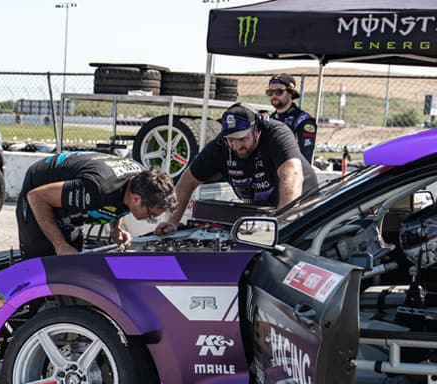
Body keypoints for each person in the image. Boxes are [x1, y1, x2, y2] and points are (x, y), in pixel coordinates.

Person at [156, 103, 317, 235]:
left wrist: (283, 225)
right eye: (231, 140)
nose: (236, 146)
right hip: (263, 212)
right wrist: (172, 222)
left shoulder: (277, 134)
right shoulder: (220, 146)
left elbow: (292, 175)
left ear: (256, 130)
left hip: (302, 207)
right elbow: (187, 181)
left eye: (242, 138)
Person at [17, 152, 177, 259]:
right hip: (40, 190)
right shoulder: (97, 188)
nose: (151, 219)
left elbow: (120, 201)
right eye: (151, 215)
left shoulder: (140, 182)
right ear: (137, 199)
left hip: (73, 195)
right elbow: (36, 196)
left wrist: (116, 228)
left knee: (71, 261)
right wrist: (59, 244)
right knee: (42, 262)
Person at [266, 73, 318, 163]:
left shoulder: (303, 121)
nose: (274, 95)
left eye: (279, 92)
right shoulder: (270, 119)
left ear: (291, 93)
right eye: (270, 92)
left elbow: (305, 159)